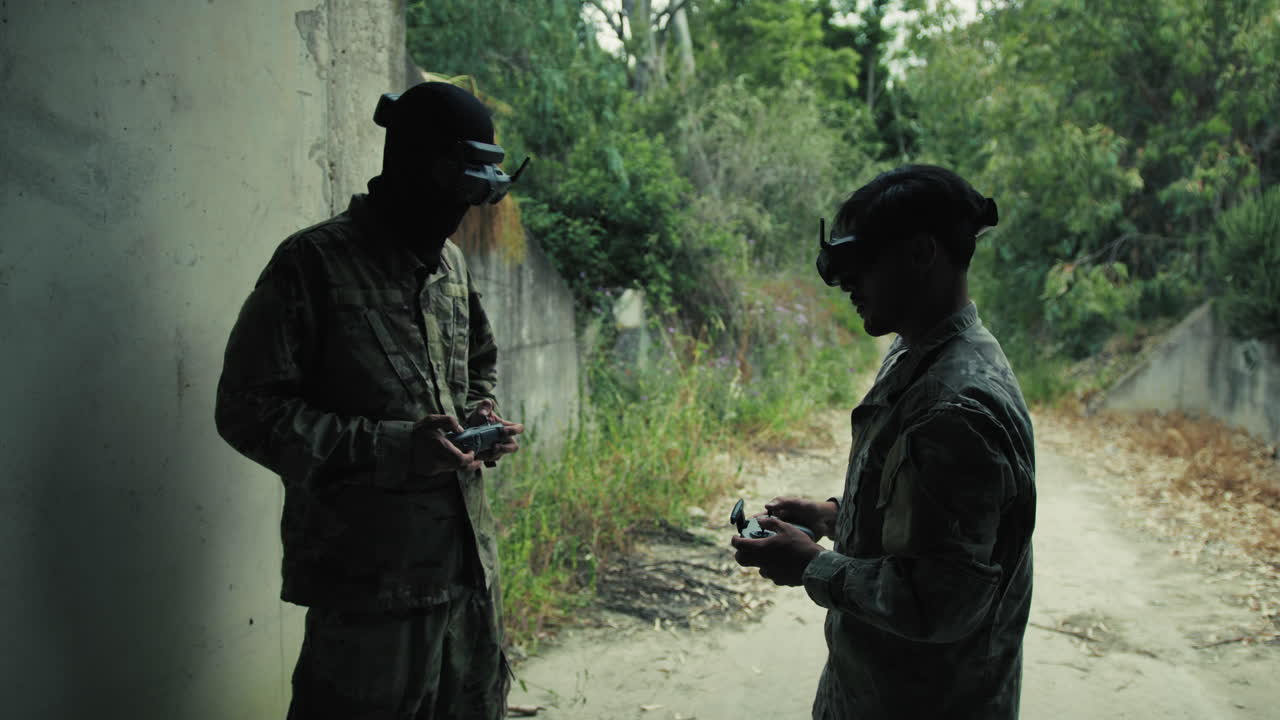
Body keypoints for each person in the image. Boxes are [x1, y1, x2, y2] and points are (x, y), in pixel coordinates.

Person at [215, 81, 525, 719]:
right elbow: (248, 410)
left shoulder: (449, 266)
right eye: (457, 191)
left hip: (468, 581)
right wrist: (395, 448)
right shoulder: (312, 265)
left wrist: (479, 417)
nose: (462, 215)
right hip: (368, 596)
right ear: (413, 168)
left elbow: (479, 361)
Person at [731, 165, 1036, 719]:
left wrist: (811, 566)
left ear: (922, 254)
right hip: (872, 690)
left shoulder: (956, 406)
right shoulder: (917, 355)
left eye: (862, 262)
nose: (846, 282)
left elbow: (941, 600)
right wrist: (833, 516)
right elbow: (926, 525)